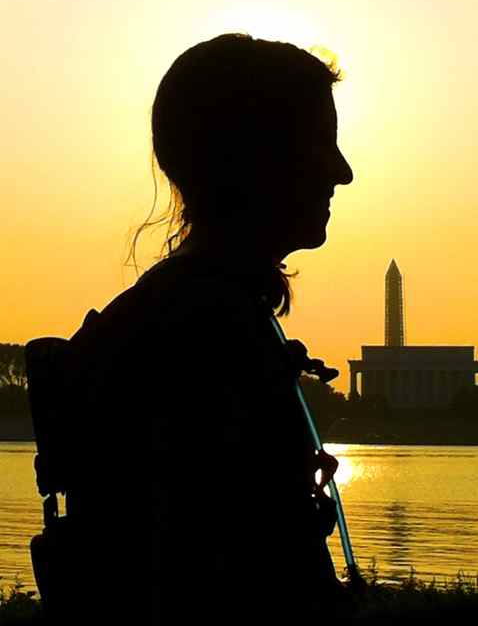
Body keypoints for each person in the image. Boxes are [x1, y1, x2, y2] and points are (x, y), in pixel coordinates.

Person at [64, 33, 353, 625]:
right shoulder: (207, 338)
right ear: (254, 160)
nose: (342, 172)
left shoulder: (183, 314)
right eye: (321, 145)